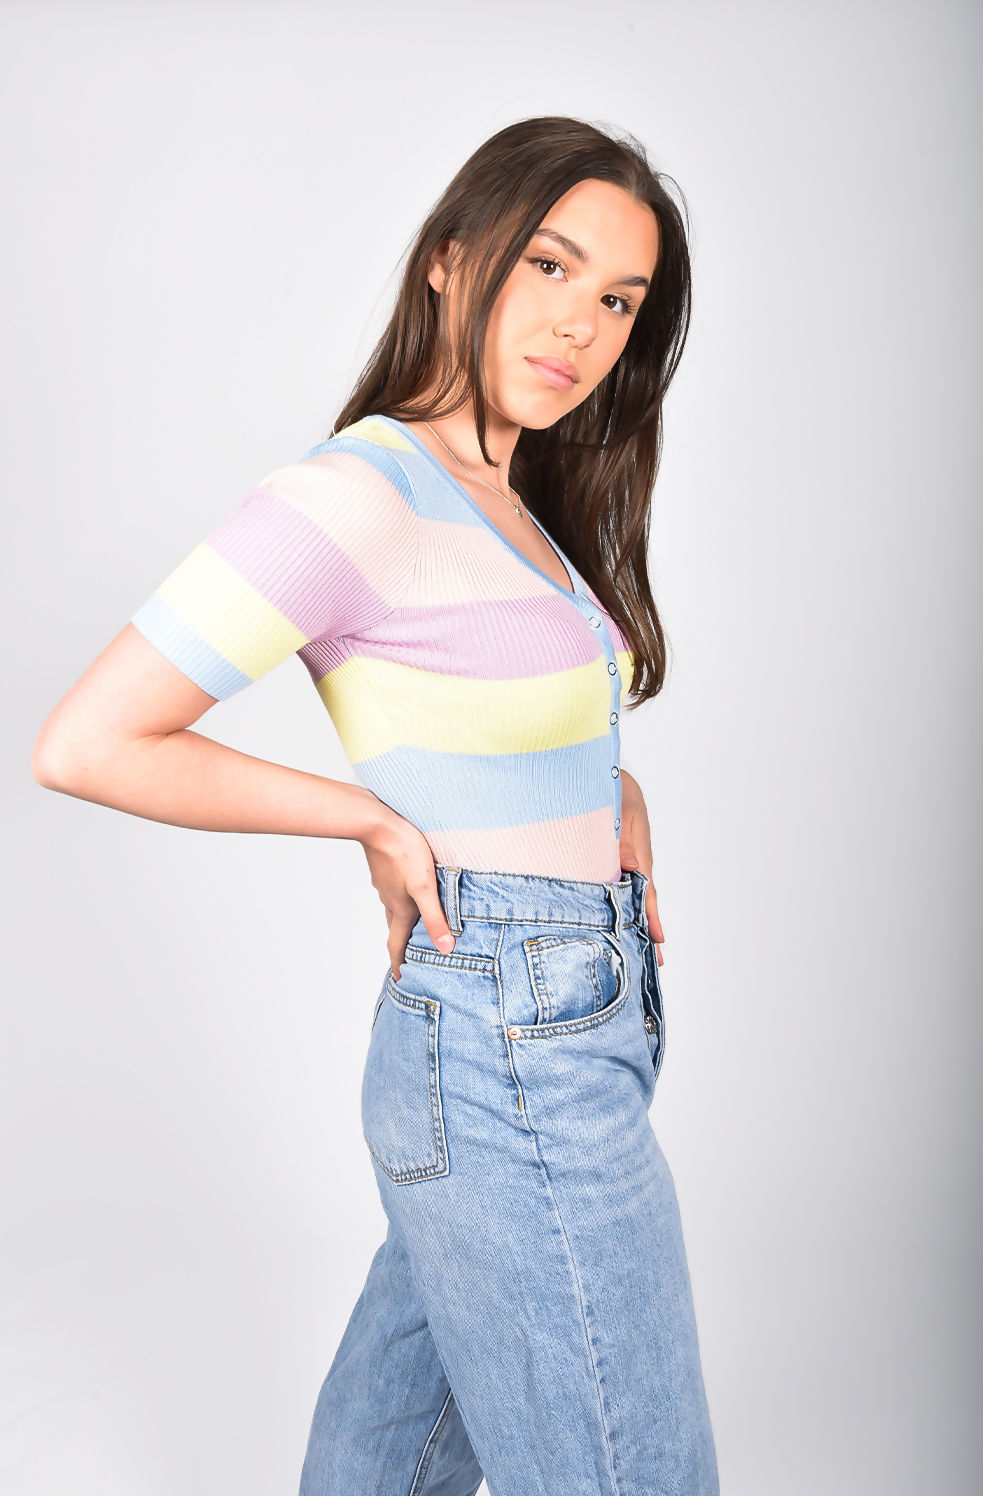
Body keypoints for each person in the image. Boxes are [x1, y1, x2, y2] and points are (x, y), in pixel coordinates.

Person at [31, 115, 720, 1495]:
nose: (578, 326)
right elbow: (90, 741)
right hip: (508, 1038)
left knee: (387, 1462)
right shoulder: (358, 493)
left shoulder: (509, 500)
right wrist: (367, 821)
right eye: (549, 266)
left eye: (617, 301)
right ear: (451, 263)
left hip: (551, 1022)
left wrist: (611, 784)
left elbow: (473, 703)